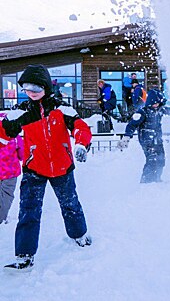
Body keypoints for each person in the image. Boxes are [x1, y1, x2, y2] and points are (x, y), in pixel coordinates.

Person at [0, 64, 93, 271]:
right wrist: (6, 129)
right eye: (27, 89)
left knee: (70, 204)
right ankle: (24, 255)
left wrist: (80, 144)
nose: (31, 93)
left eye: (36, 89)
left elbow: (81, 127)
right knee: (28, 211)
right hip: (34, 168)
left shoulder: (61, 109)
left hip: (62, 167)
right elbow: (4, 134)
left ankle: (80, 235)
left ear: (46, 87)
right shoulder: (22, 112)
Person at [117, 89, 170, 183]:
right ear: (150, 102)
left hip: (157, 140)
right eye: (155, 103)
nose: (157, 105)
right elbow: (132, 124)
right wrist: (126, 137)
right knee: (152, 160)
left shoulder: (160, 110)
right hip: (147, 140)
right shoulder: (142, 112)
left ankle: (157, 178)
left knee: (161, 159)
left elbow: (168, 110)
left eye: (158, 103)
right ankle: (146, 181)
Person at [0, 113, 23, 224]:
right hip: (9, 172)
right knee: (6, 196)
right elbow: (22, 154)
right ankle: (1, 218)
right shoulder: (14, 135)